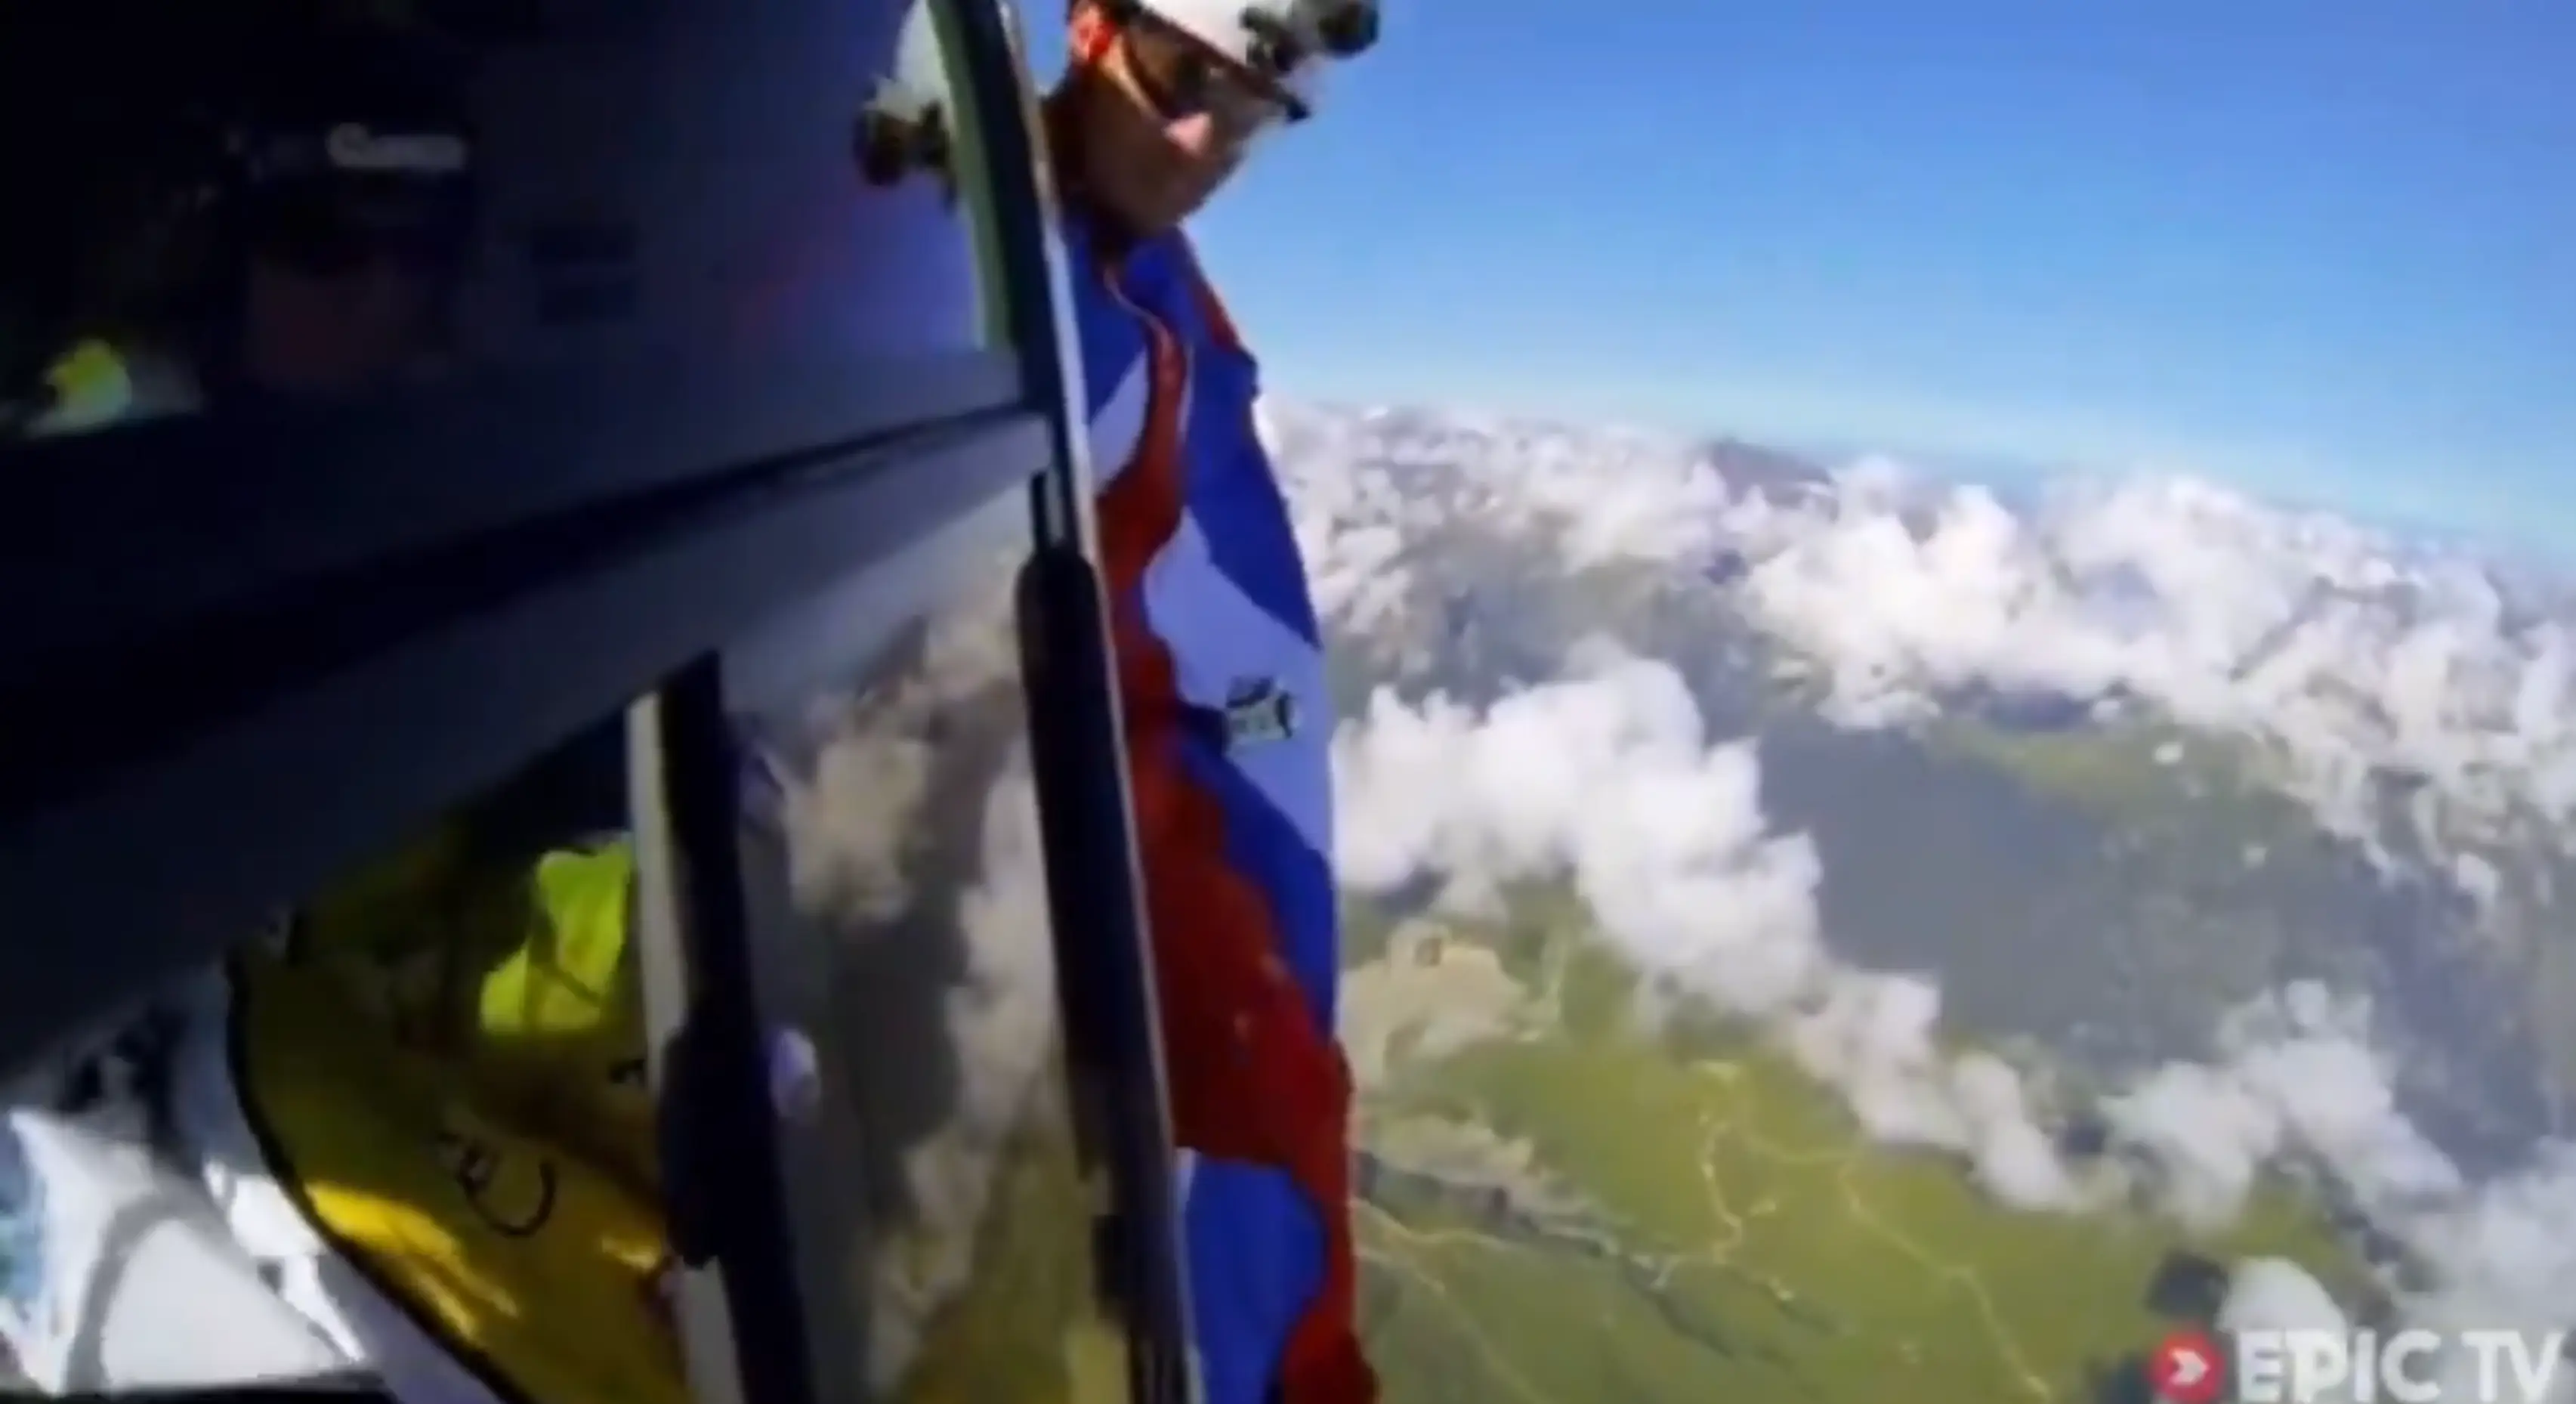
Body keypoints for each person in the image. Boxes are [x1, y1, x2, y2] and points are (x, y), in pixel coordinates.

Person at [1039, 2, 1381, 1402]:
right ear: (1087, 25)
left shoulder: (1159, 305)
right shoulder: (942, 253)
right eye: (1181, 76)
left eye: (1244, 112)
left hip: (1174, 872)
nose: (1201, 143)